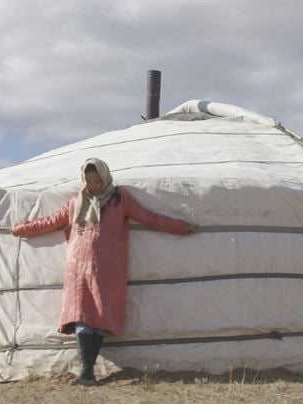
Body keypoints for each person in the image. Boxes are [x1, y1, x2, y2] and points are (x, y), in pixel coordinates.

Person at [13, 158, 196, 385]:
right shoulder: (76, 201)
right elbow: (52, 221)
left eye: (97, 180)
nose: (93, 185)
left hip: (107, 267)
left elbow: (149, 217)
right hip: (77, 267)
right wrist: (22, 229)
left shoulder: (120, 199)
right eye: (89, 181)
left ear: (105, 177)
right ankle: (86, 372)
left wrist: (178, 226)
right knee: (80, 314)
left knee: (99, 315)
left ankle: (88, 372)